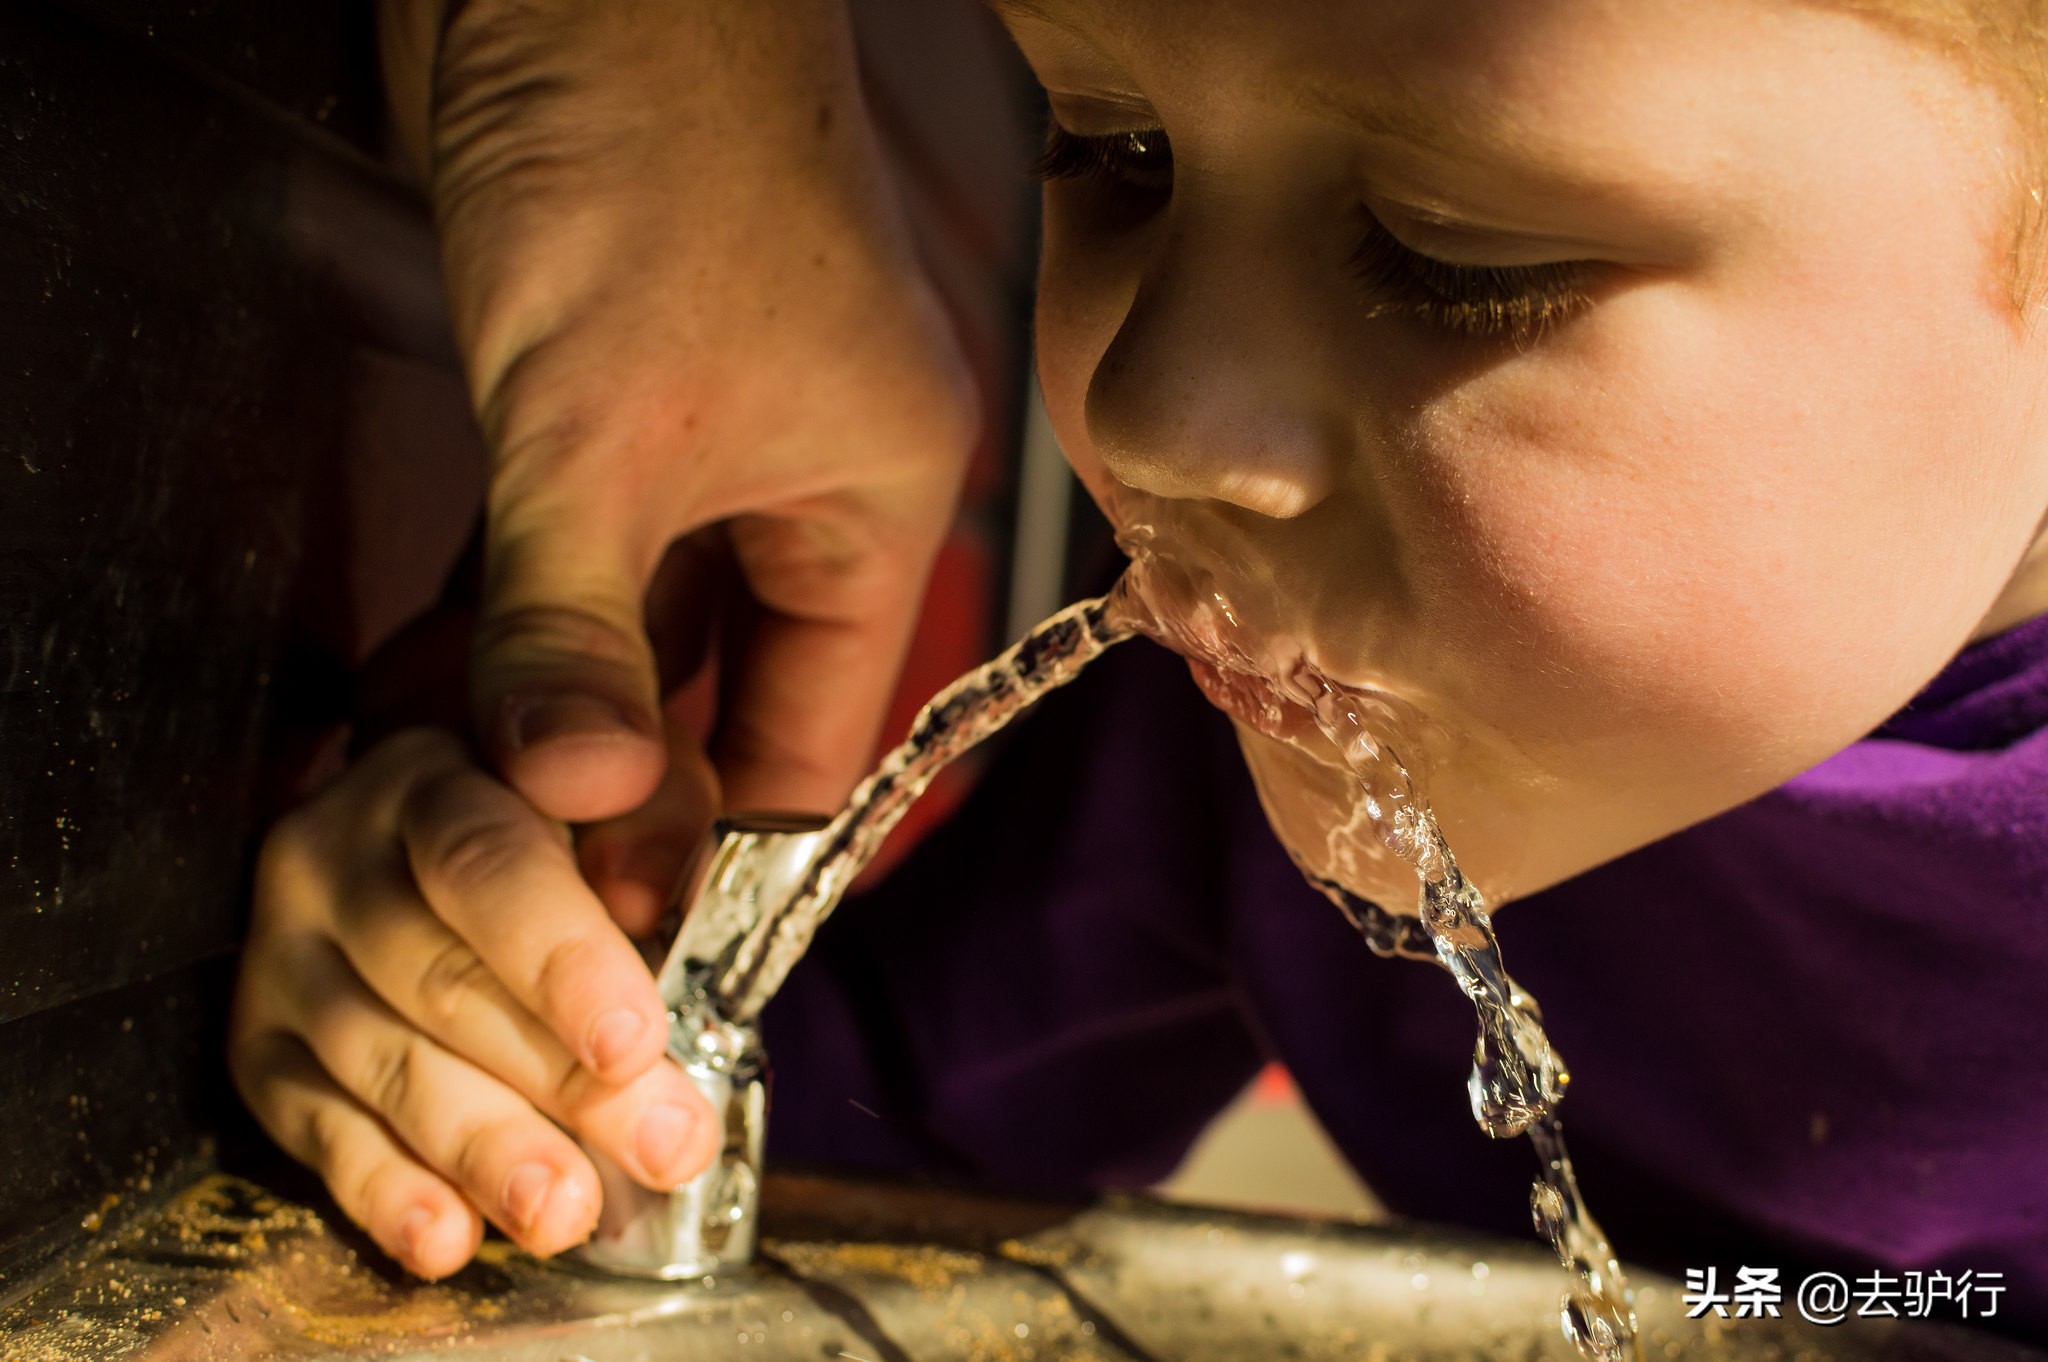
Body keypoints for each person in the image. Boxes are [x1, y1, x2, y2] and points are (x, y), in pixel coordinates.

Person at [232, 0, 2048, 1335]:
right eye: (1110, 149)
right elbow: (855, 1137)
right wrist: (523, 1015)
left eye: (1454, 253)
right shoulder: (1251, 735)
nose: (1149, 412)